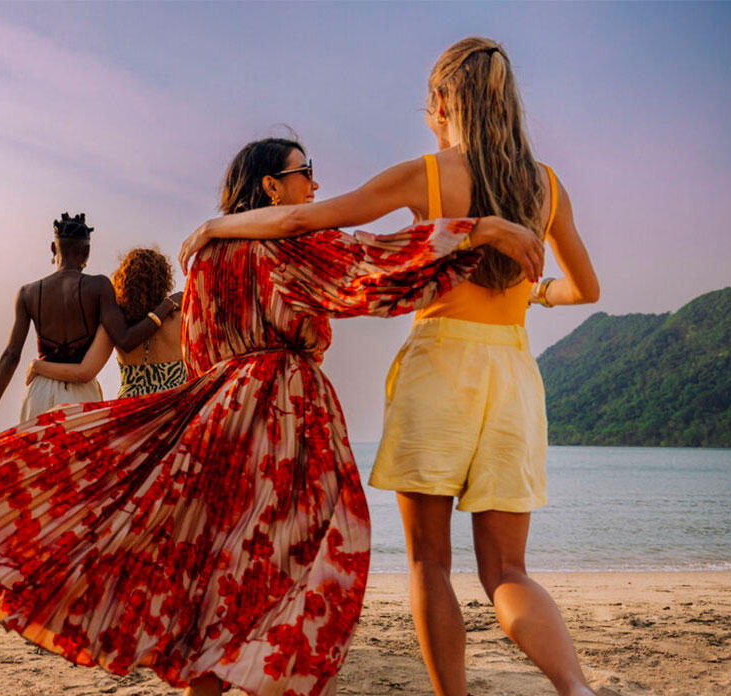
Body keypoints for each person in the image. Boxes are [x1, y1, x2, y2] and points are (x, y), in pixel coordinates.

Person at [0, 136, 545, 696]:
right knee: (297, 572)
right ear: (273, 186)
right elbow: (372, 268)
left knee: (215, 572)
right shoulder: (289, 248)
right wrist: (477, 231)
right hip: (285, 411)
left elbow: (199, 351)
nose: (315, 185)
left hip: (216, 412)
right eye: (305, 173)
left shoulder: (207, 258)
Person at [185, 38, 601, 696]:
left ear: (440, 102)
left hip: (440, 365)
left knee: (430, 562)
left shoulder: (428, 174)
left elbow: (307, 220)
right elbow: (587, 288)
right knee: (508, 573)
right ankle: (575, 687)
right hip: (514, 371)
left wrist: (216, 227)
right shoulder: (546, 184)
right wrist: (536, 293)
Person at [0, 213, 178, 447]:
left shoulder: (28, 293)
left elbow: (10, 355)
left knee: (37, 475)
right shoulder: (99, 287)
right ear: (87, 252)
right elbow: (125, 338)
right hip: (81, 396)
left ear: (52, 248)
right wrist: (166, 305)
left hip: (39, 391)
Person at [28, 246, 191, 398]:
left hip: (130, 411)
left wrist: (38, 366)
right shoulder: (181, 317)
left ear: (124, 282)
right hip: (178, 404)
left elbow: (84, 372)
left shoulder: (116, 325)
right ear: (164, 281)